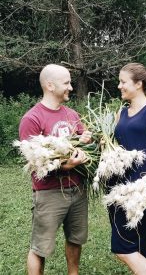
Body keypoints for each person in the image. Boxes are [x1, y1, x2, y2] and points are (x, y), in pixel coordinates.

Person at [19, 64, 92, 275]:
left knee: (75, 238)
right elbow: (34, 162)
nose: (70, 87)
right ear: (50, 85)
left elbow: (85, 142)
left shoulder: (72, 114)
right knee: (40, 248)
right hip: (49, 192)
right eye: (67, 83)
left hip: (77, 190)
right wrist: (65, 165)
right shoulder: (32, 119)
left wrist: (86, 140)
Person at [107, 62, 146, 275]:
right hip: (117, 186)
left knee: (127, 247)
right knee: (130, 243)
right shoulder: (121, 113)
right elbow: (113, 145)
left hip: (141, 185)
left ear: (139, 84)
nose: (119, 86)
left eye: (123, 82)